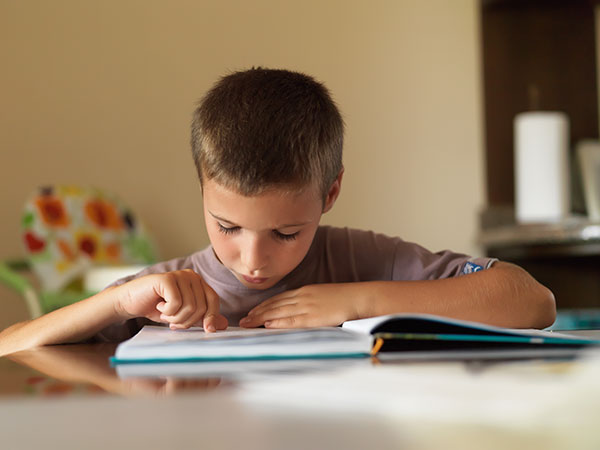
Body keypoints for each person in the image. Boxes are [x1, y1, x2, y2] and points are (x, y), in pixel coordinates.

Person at [0, 68, 555, 355]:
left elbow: (532, 301)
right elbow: (10, 346)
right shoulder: (170, 290)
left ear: (330, 194)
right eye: (227, 227)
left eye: (287, 232)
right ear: (202, 191)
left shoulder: (359, 258)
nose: (253, 259)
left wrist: (356, 300)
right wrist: (119, 299)